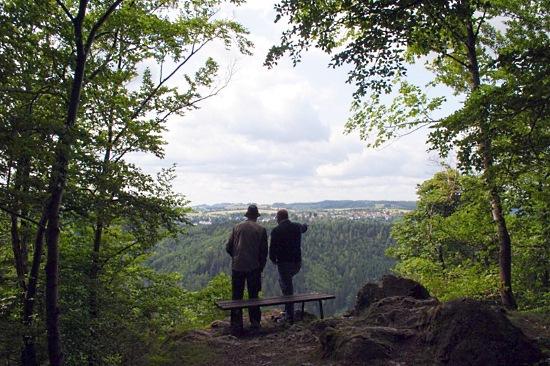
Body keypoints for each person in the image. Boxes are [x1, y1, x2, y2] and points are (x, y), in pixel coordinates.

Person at [225, 204, 268, 335]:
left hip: (237, 266)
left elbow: (228, 247)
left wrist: (236, 256)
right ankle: (255, 323)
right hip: (253, 267)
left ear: (247, 215)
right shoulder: (261, 229)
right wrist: (261, 267)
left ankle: (236, 325)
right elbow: (264, 252)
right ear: (256, 216)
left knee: (236, 296)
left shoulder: (237, 227)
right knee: (253, 296)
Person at [269, 209, 308, 323]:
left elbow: (272, 248)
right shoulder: (296, 226)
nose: (276, 219)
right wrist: (305, 225)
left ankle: (289, 316)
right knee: (285, 284)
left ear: (279, 218)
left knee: (287, 287)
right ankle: (287, 311)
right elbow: (304, 228)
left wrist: (273, 259)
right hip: (296, 263)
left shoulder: (276, 230)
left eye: (276, 217)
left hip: (283, 263)